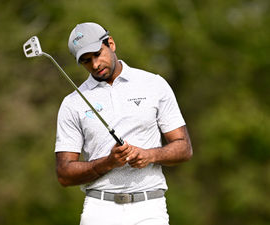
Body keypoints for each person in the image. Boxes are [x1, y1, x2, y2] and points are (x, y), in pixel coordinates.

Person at [54, 22, 193, 225]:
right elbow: (64, 174)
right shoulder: (72, 103)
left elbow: (184, 148)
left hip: (149, 207)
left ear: (111, 43)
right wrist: (108, 162)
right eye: (85, 61)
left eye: (97, 54)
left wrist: (149, 155)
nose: (94, 65)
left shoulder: (154, 84)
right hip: (99, 209)